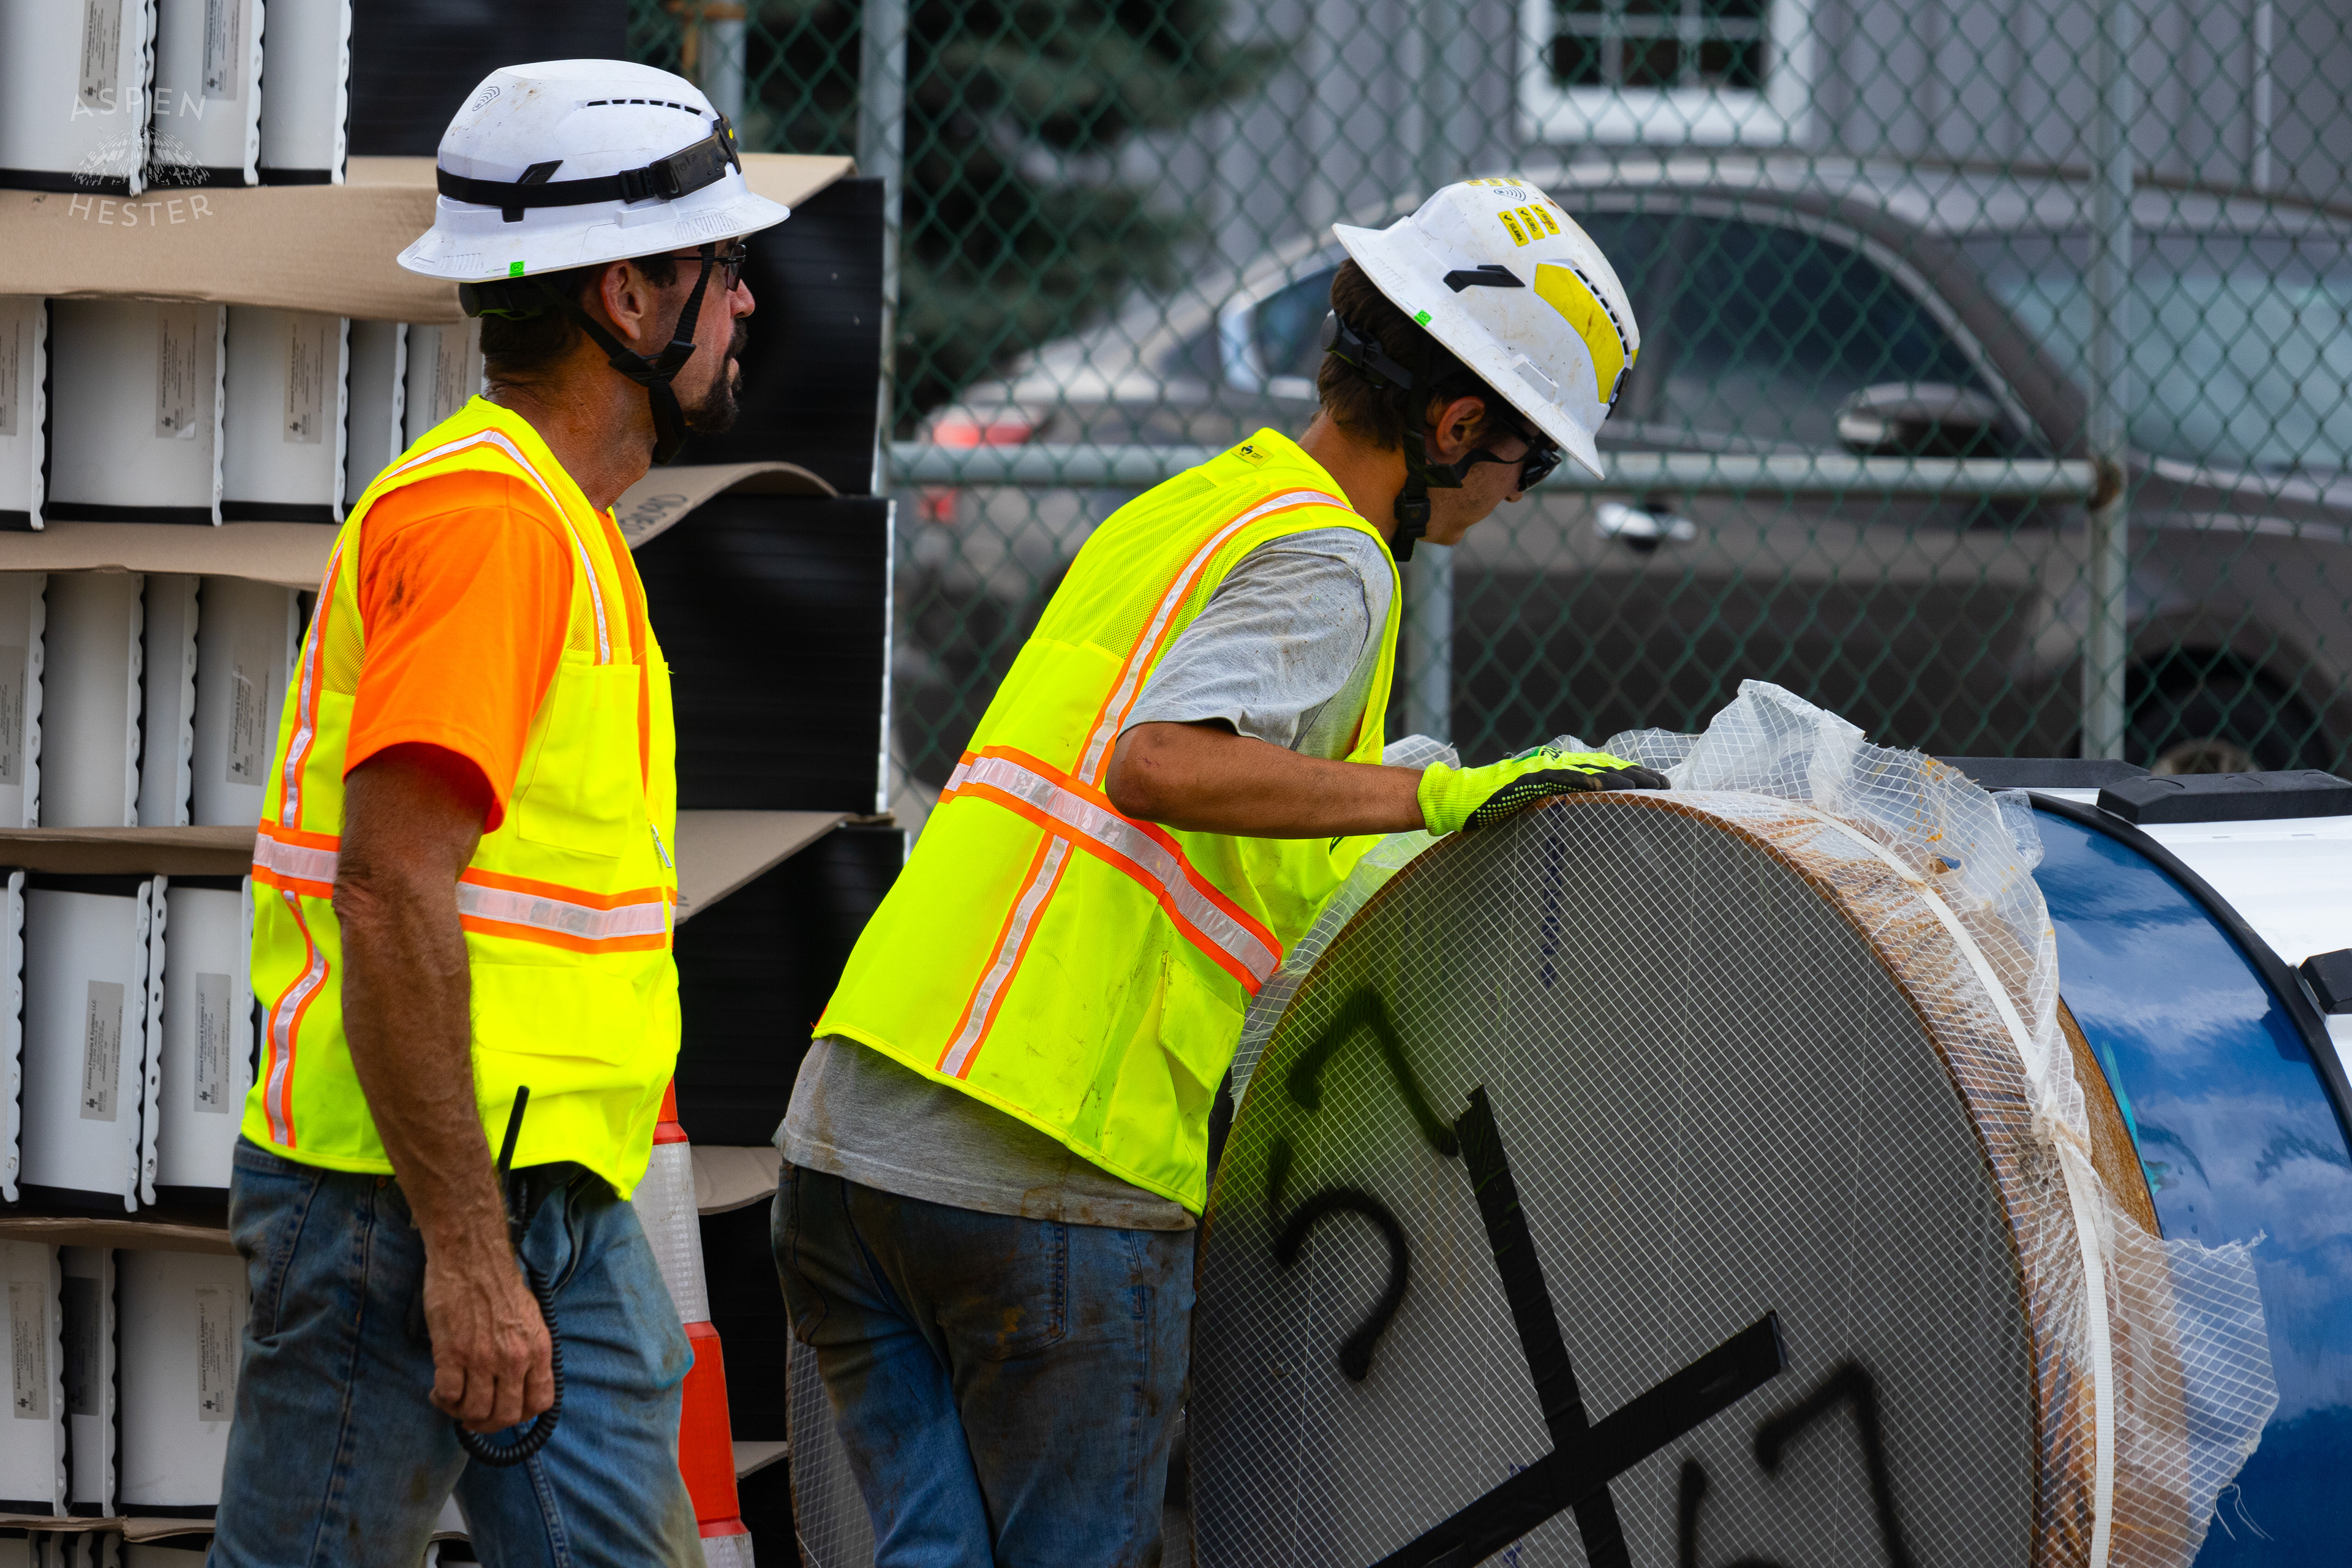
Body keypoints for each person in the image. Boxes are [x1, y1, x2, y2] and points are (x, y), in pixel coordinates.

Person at [777, 176, 1662, 1564]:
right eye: (1527, 458)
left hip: (852, 1135)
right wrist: (1428, 796)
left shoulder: (1199, 507)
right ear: (1454, 424)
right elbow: (1157, 767)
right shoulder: (1336, 562)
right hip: (1048, 1159)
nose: (1514, 493)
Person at [213, 61, 787, 1568]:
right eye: (722, 271)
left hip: (533, 1194)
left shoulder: (557, 525)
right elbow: (391, 887)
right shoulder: (487, 528)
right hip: (407, 1203)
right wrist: (465, 1250)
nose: (744, 307)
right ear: (628, 297)